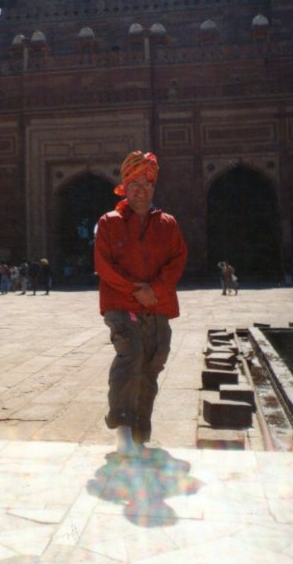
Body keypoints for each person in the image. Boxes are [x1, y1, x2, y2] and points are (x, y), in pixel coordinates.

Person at [94, 150, 187, 457]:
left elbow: (177, 260)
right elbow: (104, 266)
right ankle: (122, 427)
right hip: (121, 303)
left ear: (153, 187)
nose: (141, 190)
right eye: (134, 184)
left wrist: (155, 289)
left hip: (157, 303)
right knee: (131, 353)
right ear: (125, 187)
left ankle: (139, 432)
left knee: (153, 361)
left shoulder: (167, 224)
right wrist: (137, 290)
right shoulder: (109, 222)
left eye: (147, 184)